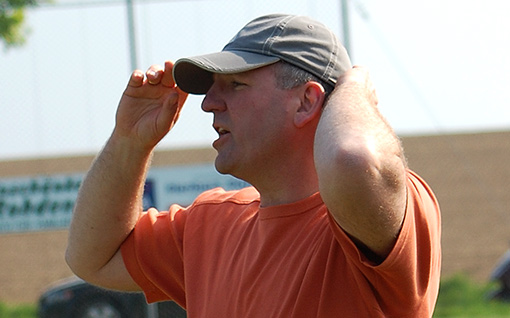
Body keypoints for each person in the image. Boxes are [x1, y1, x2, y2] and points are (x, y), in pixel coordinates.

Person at [65, 14, 441, 317]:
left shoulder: (385, 212)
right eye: (212, 86)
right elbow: (92, 257)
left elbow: (353, 159)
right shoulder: (209, 225)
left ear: (307, 102)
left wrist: (353, 85)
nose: (208, 103)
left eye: (235, 85)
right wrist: (129, 142)